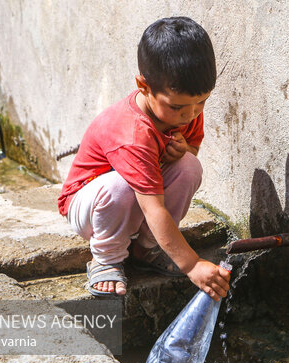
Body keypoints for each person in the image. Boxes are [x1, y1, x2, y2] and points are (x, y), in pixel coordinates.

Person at [57, 16, 230, 301]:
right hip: (88, 208)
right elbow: (154, 209)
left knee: (189, 166)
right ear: (143, 86)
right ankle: (106, 259)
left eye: (202, 102)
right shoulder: (132, 133)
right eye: (178, 106)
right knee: (122, 186)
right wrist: (193, 264)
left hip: (136, 203)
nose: (191, 114)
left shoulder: (186, 111)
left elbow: (191, 154)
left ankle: (146, 249)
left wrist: (184, 150)